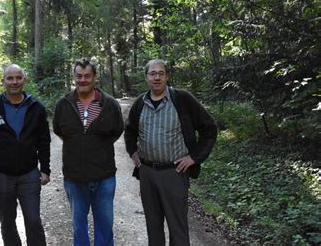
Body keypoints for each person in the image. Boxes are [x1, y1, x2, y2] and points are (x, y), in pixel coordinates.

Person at [124, 59, 218, 246]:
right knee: (153, 226)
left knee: (178, 228)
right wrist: (133, 152)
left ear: (167, 76)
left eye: (161, 73)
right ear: (146, 77)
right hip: (147, 173)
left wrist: (194, 157)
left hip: (174, 172)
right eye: (152, 73)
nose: (157, 77)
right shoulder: (140, 103)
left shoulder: (182, 99)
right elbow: (130, 130)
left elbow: (209, 128)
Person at [53, 58, 124, 246]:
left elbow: (117, 130)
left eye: (87, 76)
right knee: (78, 225)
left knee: (105, 225)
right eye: (79, 76)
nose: (82, 80)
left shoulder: (109, 104)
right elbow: (59, 130)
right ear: (74, 77)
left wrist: (96, 146)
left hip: (104, 177)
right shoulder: (63, 104)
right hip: (74, 178)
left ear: (95, 77)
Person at [0, 64, 50, 246]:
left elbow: (44, 141)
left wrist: (45, 169)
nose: (14, 82)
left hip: (29, 174)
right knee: (7, 223)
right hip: (1, 175)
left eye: (18, 77)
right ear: (3, 81)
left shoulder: (36, 107)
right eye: (10, 78)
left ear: (24, 80)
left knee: (33, 220)